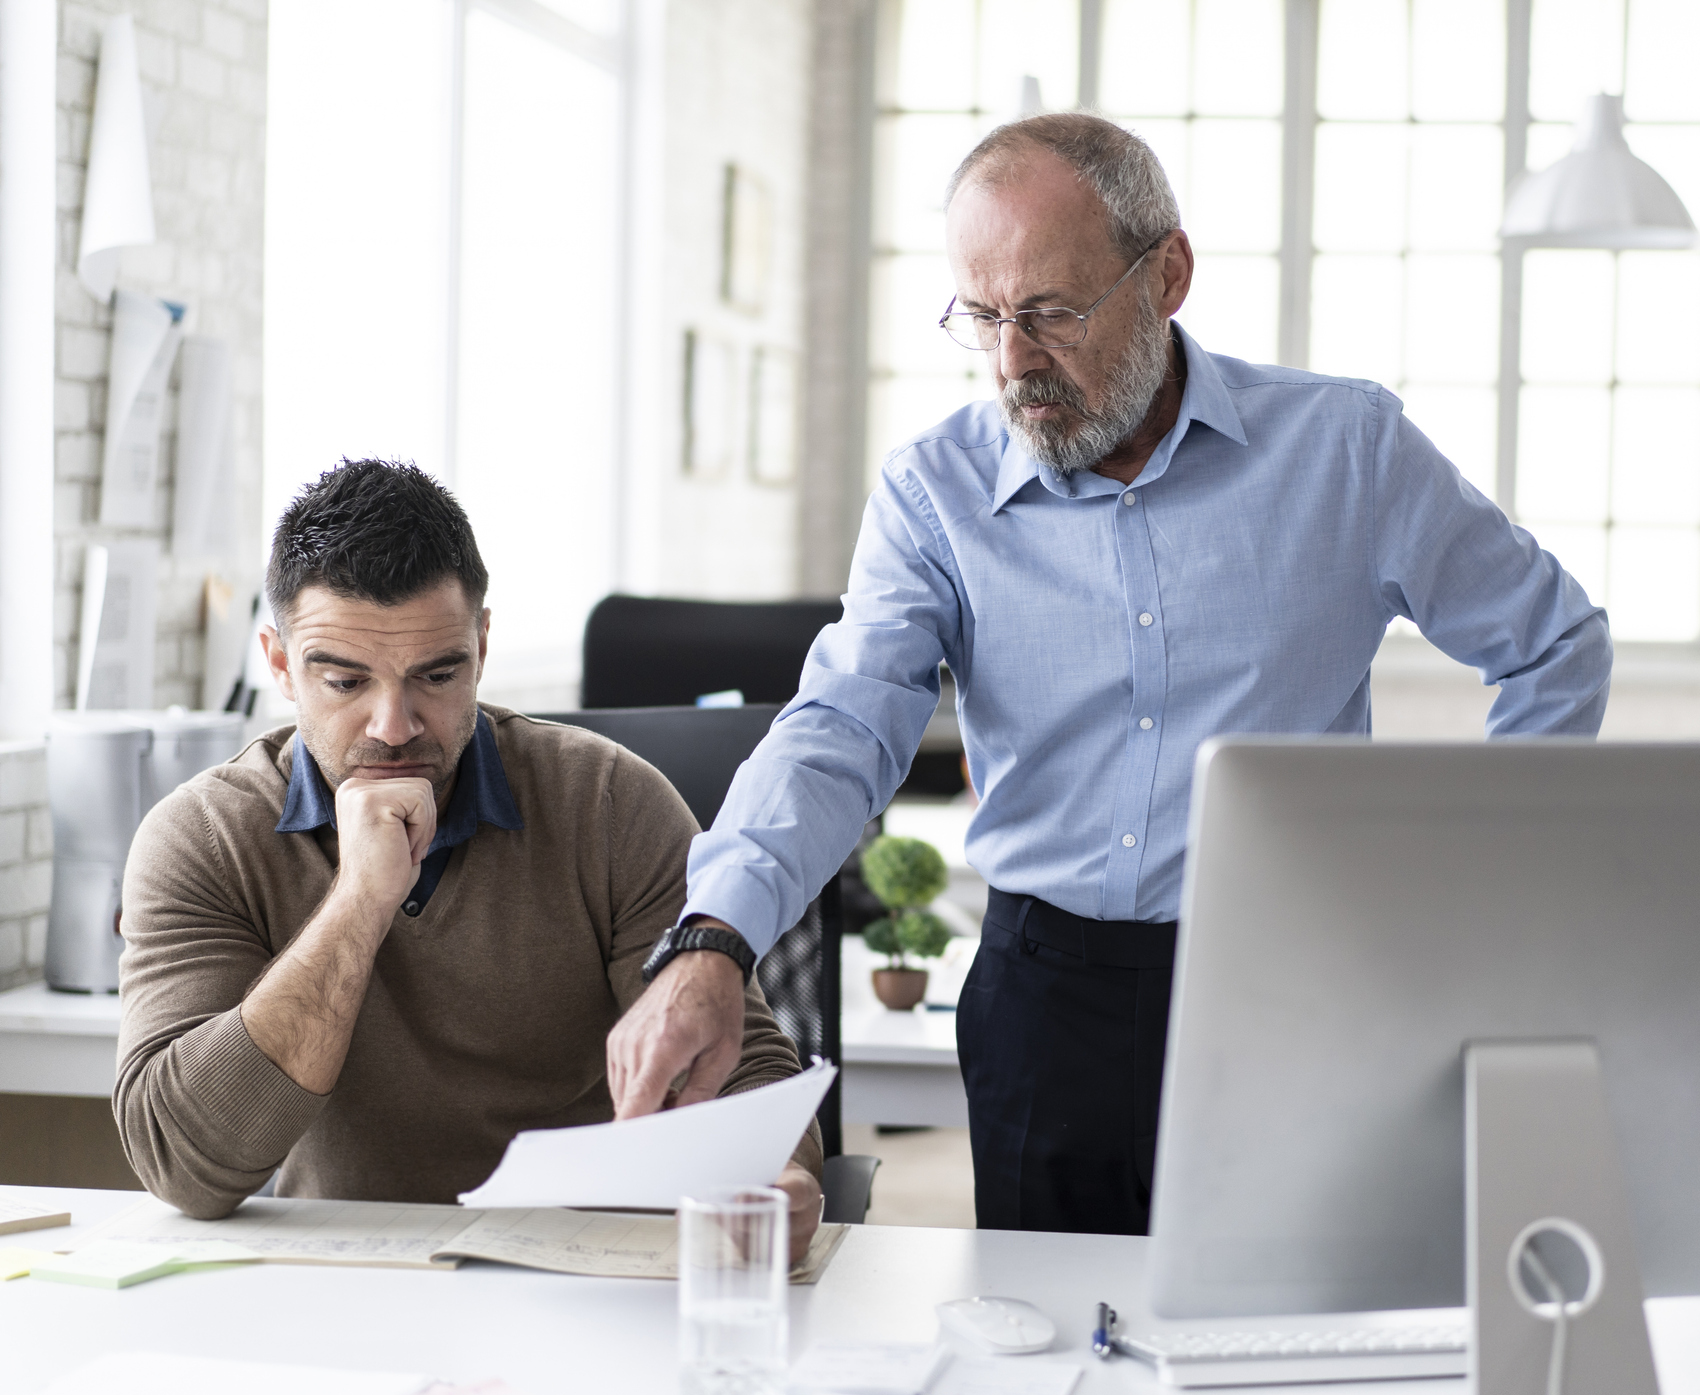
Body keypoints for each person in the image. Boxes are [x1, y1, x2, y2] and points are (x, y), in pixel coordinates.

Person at [608, 113, 1612, 1236]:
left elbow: (1555, 642)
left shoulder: (1347, 452)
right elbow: (840, 724)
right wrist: (713, 936)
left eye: (1049, 313)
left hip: (1296, 990)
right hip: (1046, 1000)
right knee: (1050, 1346)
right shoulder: (933, 492)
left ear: (1167, 273)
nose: (1013, 363)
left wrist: (1484, 886)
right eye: (981, 317)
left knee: (1276, 1344)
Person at [115, 459, 823, 1248]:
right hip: (342, 1277)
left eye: (437, 674)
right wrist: (358, 900)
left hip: (587, 1273)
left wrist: (777, 1170)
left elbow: (747, 1066)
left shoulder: (610, 802)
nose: (393, 725)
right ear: (280, 662)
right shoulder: (202, 837)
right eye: (346, 682)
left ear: (482, 645)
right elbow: (184, 1164)